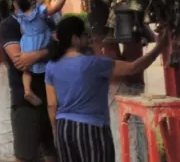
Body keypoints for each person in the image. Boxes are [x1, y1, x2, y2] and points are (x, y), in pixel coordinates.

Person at [45, 15, 170, 162]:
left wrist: (55, 130)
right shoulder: (94, 64)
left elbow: (51, 105)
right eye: (85, 34)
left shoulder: (51, 66)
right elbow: (134, 67)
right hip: (91, 129)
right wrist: (159, 47)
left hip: (63, 129)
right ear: (75, 39)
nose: (89, 38)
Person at [0, 0, 66, 162]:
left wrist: (36, 55)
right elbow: (21, 61)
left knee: (55, 153)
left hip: (55, 96)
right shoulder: (9, 26)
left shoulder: (47, 18)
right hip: (26, 102)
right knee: (26, 156)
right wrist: (46, 51)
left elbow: (62, 46)